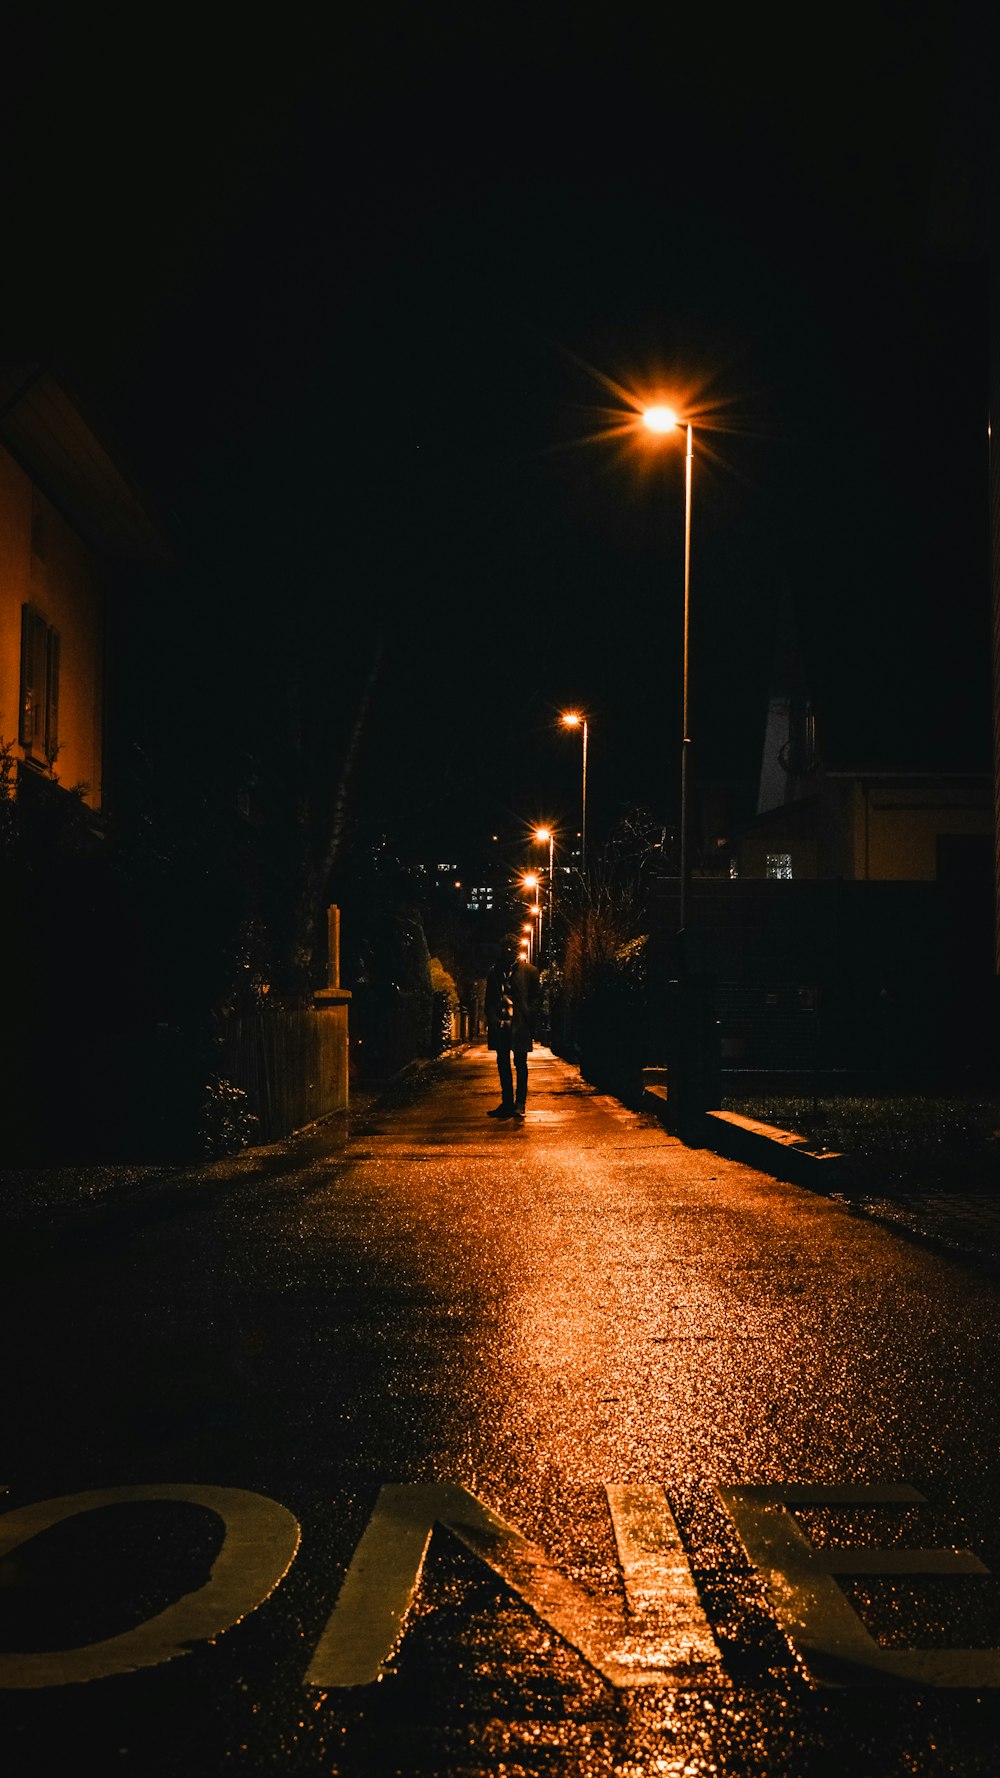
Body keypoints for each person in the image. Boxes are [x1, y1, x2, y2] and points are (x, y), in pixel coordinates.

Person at [485, 933, 542, 1120]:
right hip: (501, 1024)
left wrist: (529, 1015)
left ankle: (519, 1103)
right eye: (505, 948)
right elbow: (489, 999)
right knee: (503, 1064)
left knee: (520, 1064)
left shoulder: (529, 971)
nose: (508, 951)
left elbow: (536, 998)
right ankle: (508, 1102)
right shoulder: (494, 972)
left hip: (520, 1024)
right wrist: (492, 1019)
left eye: (511, 948)